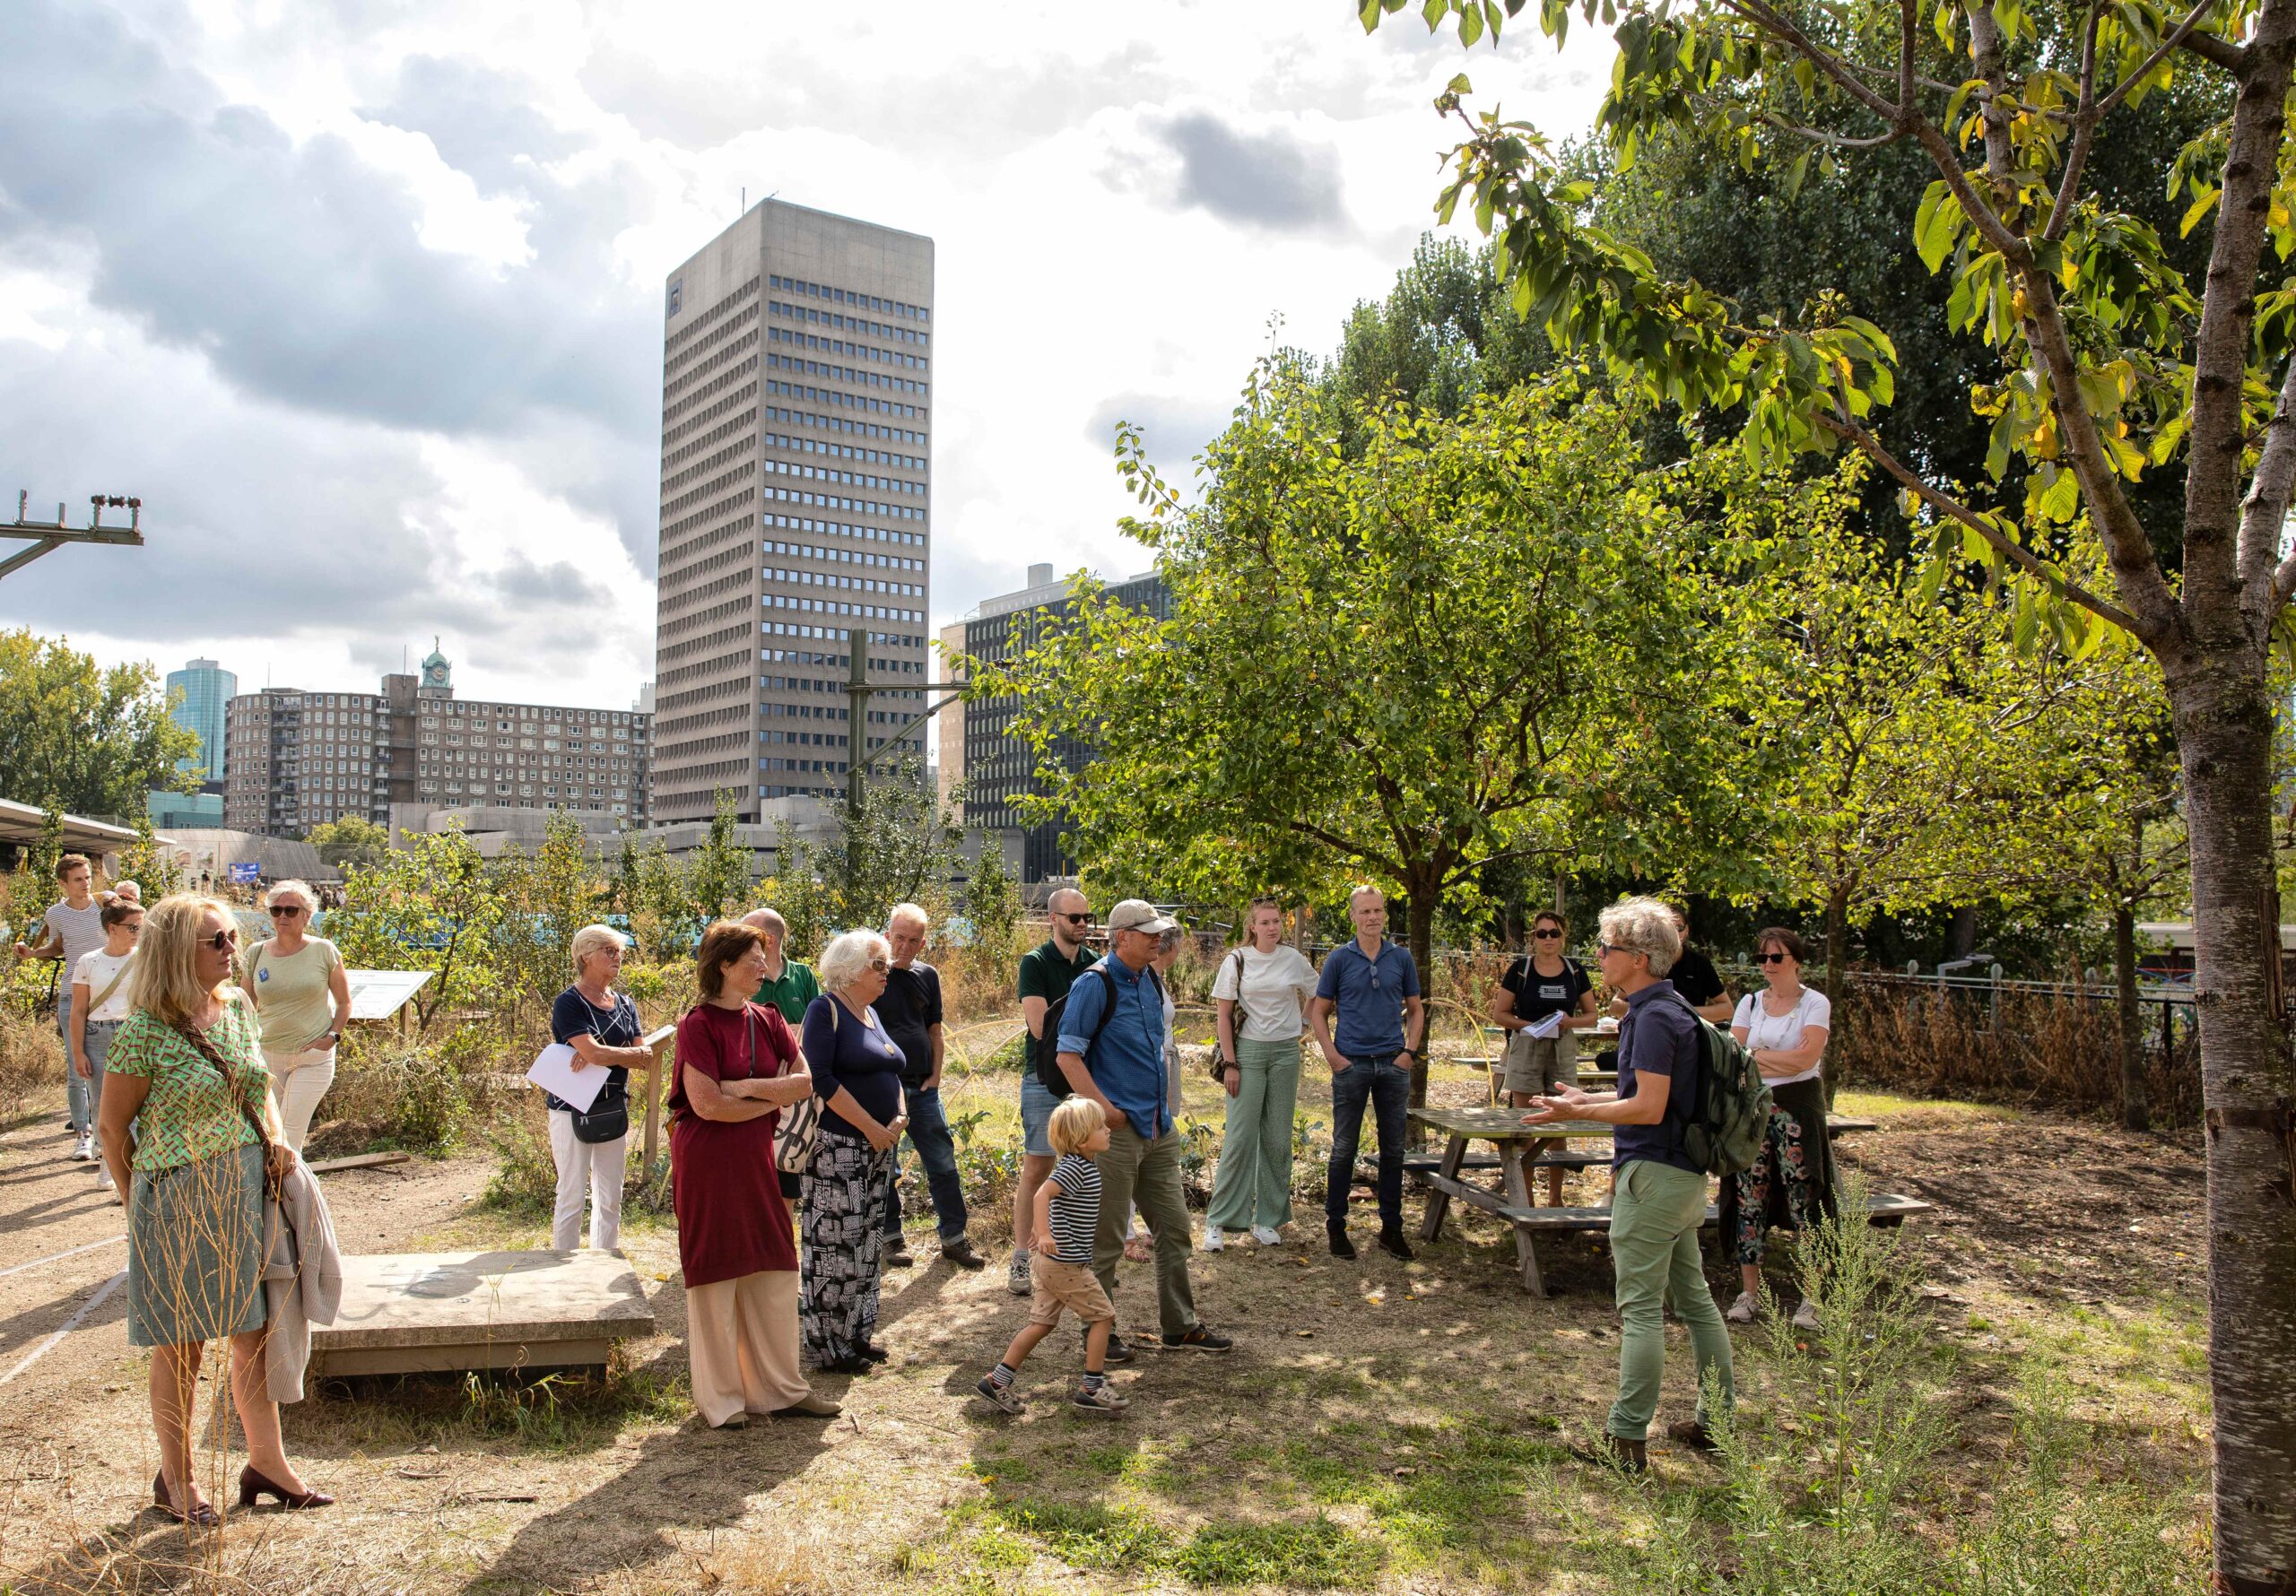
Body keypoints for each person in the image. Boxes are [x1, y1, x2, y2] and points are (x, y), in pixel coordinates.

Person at [95, 893, 334, 1522]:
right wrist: (135, 1206)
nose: (235, 949)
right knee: (182, 1346)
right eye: (218, 941)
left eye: (233, 936)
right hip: (179, 1200)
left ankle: (267, 1463)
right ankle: (178, 1480)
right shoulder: (144, 1031)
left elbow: (259, 1087)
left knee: (253, 1333)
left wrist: (278, 1137)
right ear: (178, 952)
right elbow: (113, 1130)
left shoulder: (234, 1010)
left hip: (246, 1191)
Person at [1523, 896, 1734, 1471]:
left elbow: (1648, 1108)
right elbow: (1650, 1100)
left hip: (1654, 1179)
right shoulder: (1667, 1009)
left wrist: (1579, 1118)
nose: (1598, 957)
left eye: (1607, 948)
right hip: (1682, 1181)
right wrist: (1585, 1099)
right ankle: (1718, 1425)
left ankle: (1626, 1443)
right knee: (1695, 1302)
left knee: (1641, 1311)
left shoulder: (1655, 1017)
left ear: (1638, 959)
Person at [670, 921, 841, 1427]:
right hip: (707, 1163)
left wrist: (741, 1087)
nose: (765, 967)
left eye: (764, 958)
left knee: (773, 1264)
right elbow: (705, 1107)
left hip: (755, 1160)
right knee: (717, 1271)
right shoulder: (696, 1024)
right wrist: (764, 1096)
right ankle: (723, 1400)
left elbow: (806, 1083)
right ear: (723, 965)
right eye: (753, 959)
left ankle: (781, 1389)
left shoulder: (768, 1018)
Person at [1056, 899, 1232, 1358]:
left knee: (1175, 1230)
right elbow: (1067, 1056)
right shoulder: (1094, 985)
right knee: (1108, 1241)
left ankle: (1180, 1327)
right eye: (1149, 932)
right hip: (1113, 1135)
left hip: (1158, 1129)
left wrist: (1160, 1115)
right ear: (1121, 937)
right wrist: (1106, 1111)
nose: (1159, 938)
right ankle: (1100, 1335)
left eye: (1159, 931)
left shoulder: (1152, 979)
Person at [974, 1096, 1130, 1418]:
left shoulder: (1082, 1165)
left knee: (1041, 1323)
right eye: (1100, 1127)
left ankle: (997, 1380)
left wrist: (1047, 1229)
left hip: (1053, 1264)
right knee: (1102, 1317)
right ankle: (1092, 1386)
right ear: (1081, 1138)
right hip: (1065, 1265)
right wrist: (1042, 1233)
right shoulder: (1075, 1168)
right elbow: (1042, 1194)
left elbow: (1056, 1204)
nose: (1107, 1130)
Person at [799, 929, 910, 1374]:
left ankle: (858, 1334)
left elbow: (892, 1068)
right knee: (834, 1245)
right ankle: (829, 1346)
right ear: (849, 971)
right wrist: (869, 1127)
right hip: (839, 1147)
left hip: (879, 1146)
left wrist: (899, 1115)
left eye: (886, 964)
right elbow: (821, 1078)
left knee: (867, 1241)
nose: (887, 972)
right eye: (878, 965)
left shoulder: (870, 1013)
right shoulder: (824, 1010)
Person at [1722, 927, 1836, 1330]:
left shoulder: (1815, 1003)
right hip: (1753, 1113)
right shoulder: (1751, 1002)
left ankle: (1811, 1299)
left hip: (1797, 1112)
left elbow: (1807, 1059)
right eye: (1762, 959)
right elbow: (1734, 1058)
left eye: (1777, 958)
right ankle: (1749, 1295)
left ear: (1797, 961)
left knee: (1807, 1199)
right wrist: (1770, 1059)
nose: (1768, 966)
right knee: (1748, 1200)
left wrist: (1758, 1057)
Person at [1308, 886, 1424, 1262]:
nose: (1372, 917)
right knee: (1344, 1149)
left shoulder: (1401, 957)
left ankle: (1391, 1229)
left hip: (1392, 1063)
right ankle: (1336, 1227)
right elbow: (1318, 1013)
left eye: (1378, 911)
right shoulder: (1339, 960)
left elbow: (1416, 1008)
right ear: (1353, 916)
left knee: (1393, 1150)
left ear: (1384, 915)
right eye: (1365, 912)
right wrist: (1332, 1055)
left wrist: (1409, 1052)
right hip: (1351, 1064)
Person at [1205, 898, 1318, 1251]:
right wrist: (1231, 1063)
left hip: (1286, 1052)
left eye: (1277, 922)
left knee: (1278, 1139)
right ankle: (1219, 1221)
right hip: (1248, 1054)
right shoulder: (1237, 960)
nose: (1273, 927)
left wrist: (1301, 1024)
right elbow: (1223, 1016)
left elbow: (1319, 993)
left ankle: (1267, 1219)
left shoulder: (1294, 959)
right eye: (1266, 922)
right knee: (1240, 1138)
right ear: (1252, 926)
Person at [875, 903, 982, 1269]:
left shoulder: (928, 975)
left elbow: (935, 1032)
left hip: (922, 1087)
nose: (904, 946)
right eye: (899, 937)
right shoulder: (869, 975)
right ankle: (891, 1239)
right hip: (882, 1089)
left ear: (923, 944)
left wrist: (935, 1077)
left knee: (942, 1162)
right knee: (884, 1165)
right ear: (887, 935)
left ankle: (954, 1238)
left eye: (913, 940)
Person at [544, 925, 655, 1252]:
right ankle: (563, 1265)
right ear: (585, 956)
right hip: (572, 1108)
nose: (617, 956)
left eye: (619, 950)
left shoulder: (625, 1003)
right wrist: (612, 1054)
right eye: (608, 950)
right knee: (572, 1193)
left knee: (610, 1196)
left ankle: (604, 1259)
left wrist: (600, 1054)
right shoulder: (568, 1002)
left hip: (612, 1105)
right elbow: (611, 1052)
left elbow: (643, 1057)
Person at [1012, 888, 1097, 1297]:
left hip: (1083, 1077)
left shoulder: (1095, 965)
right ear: (1053, 919)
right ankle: (1020, 1258)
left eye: (1086, 917)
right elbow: (1038, 1027)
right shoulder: (1036, 962)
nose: (1082, 924)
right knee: (1038, 1167)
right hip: (1044, 1078)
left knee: (1086, 1167)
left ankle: (1076, 1253)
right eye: (1074, 918)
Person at [1490, 909, 1602, 1203]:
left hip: (1562, 1046)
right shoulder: (1520, 969)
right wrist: (1531, 1026)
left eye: (1554, 933)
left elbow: (1591, 1016)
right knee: (1526, 1123)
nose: (1548, 938)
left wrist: (1568, 1022)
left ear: (1563, 937)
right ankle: (1525, 1199)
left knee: (1558, 1124)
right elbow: (1499, 1014)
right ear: (1533, 938)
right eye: (1542, 933)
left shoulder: (1575, 971)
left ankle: (1555, 1198)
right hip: (1526, 1045)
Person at [241, 880, 352, 1154]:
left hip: (311, 1058)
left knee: (288, 1136)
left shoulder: (323, 950)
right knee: (266, 1133)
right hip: (267, 1056)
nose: (282, 917)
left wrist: (332, 1036)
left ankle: (295, 1196)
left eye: (290, 910)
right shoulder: (256, 953)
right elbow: (244, 1005)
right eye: (276, 910)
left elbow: (344, 1002)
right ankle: (273, 1194)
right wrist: (245, 1045)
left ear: (306, 915)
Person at [16, 853, 107, 1158]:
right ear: (63, 883)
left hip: (107, 994)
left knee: (108, 1067)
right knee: (75, 1066)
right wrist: (32, 954)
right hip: (71, 993)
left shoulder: (104, 906)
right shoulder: (55, 914)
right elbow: (57, 947)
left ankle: (105, 1134)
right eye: (78, 879)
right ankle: (83, 1133)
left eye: (88, 878)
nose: (85, 884)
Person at [69, 897, 144, 1193]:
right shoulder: (89, 961)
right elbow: (78, 1009)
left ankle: (133, 1170)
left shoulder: (145, 959)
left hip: (134, 1034)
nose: (138, 932)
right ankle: (108, 1164)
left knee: (136, 1106)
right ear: (112, 928)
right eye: (133, 927)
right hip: (98, 1035)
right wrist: (77, 1051)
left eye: (141, 926)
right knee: (102, 1106)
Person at [741, 906, 821, 1023]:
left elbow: (824, 1019)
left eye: (748, 933)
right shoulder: (739, 974)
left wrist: (804, 1030)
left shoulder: (803, 974)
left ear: (769, 941)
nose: (740, 939)